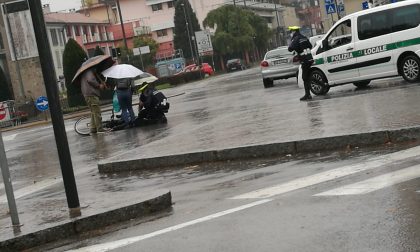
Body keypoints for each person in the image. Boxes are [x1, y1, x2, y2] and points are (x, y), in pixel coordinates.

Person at [288, 26, 314, 101]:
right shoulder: (304, 37)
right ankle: (309, 93)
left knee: (304, 77)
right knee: (308, 76)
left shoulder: (296, 39)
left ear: (294, 32)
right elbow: (310, 46)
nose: (291, 34)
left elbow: (290, 49)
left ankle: (308, 95)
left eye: (291, 32)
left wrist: (292, 43)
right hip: (309, 59)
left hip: (304, 60)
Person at [80, 67, 108, 134]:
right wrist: (99, 86)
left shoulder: (85, 73)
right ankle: (100, 129)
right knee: (97, 112)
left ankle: (93, 129)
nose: (96, 68)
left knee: (93, 112)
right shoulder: (89, 72)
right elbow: (90, 80)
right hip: (92, 94)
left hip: (87, 95)